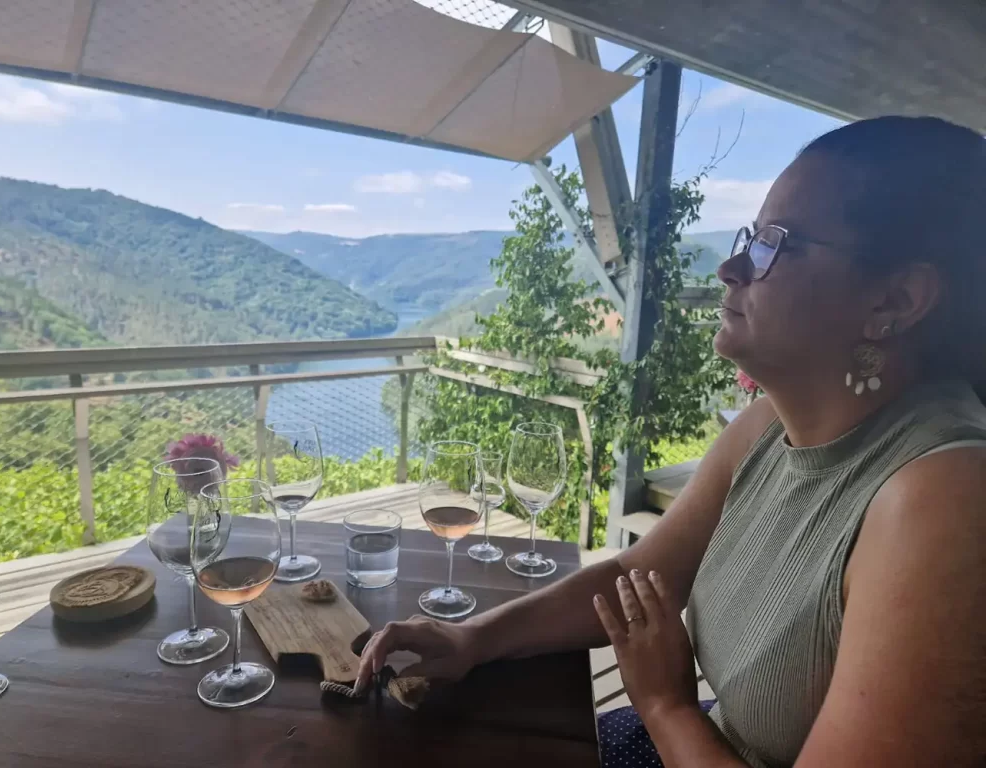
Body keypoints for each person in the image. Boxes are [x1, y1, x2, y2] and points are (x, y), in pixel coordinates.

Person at [355, 116, 986, 768]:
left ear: (897, 300)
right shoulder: (766, 429)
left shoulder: (946, 503)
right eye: (748, 237)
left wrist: (665, 705)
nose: (731, 266)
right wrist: (473, 639)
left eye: (777, 244)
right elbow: (639, 577)